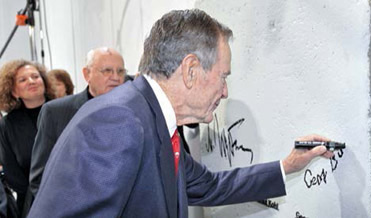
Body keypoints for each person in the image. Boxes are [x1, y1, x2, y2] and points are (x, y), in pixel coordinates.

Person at [28, 9, 333, 218]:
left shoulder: (151, 119)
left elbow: (209, 186)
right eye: (223, 76)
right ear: (190, 71)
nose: (224, 91)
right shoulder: (119, 122)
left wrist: (288, 166)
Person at [29, 47, 126, 198]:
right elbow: (40, 177)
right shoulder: (56, 113)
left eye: (120, 71)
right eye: (107, 71)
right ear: (87, 74)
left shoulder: (135, 112)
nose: (116, 77)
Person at [0, 60, 54, 216]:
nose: (31, 81)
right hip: (32, 203)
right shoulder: (8, 125)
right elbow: (12, 173)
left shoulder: (63, 111)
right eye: (22, 80)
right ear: (14, 91)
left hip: (72, 195)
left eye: (35, 76)